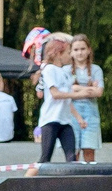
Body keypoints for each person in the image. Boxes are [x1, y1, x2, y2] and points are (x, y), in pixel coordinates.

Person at [34, 33, 79, 163]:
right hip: (50, 120)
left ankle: (73, 183)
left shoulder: (66, 72)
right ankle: (27, 180)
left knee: (72, 157)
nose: (71, 55)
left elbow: (68, 97)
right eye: (68, 52)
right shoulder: (49, 70)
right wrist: (78, 94)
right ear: (58, 53)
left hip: (65, 121)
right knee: (45, 157)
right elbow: (56, 94)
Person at [64, 35, 106, 162]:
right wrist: (88, 89)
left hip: (91, 113)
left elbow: (98, 92)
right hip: (72, 113)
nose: (80, 52)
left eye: (82, 49)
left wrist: (76, 88)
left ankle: (90, 179)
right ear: (71, 52)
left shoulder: (96, 69)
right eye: (76, 50)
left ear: (89, 50)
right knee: (73, 151)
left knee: (89, 149)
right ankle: (74, 181)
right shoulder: (65, 70)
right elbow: (65, 93)